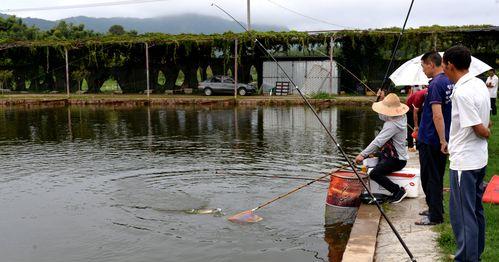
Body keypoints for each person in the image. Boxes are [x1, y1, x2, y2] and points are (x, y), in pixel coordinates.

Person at [443, 45, 491, 262]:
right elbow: (487, 117)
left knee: (463, 216)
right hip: (479, 159)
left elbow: (481, 129)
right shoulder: (479, 84)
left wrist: (487, 132)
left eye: (443, 65)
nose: (443, 69)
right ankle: (475, 254)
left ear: (450, 65)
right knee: (476, 210)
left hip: (465, 162)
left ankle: (466, 258)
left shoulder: (461, 92)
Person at [415, 51, 453, 226]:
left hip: (431, 138)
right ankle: (435, 207)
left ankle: (435, 216)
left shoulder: (436, 84)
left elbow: (437, 115)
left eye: (423, 66)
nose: (423, 70)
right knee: (435, 175)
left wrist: (442, 140)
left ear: (431, 63)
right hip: (438, 137)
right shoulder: (448, 81)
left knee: (430, 177)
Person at [355, 93, 409, 203]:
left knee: (374, 174)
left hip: (397, 160)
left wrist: (362, 154)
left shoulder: (392, 125)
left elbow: (378, 142)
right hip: (390, 154)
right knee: (373, 156)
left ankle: (398, 191)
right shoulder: (401, 115)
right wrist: (381, 99)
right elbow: (382, 115)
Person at [406, 87, 428, 151]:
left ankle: (419, 146)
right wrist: (416, 126)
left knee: (421, 127)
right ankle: (410, 146)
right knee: (412, 127)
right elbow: (415, 113)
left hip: (419, 109)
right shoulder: (418, 97)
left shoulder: (431, 93)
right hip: (410, 110)